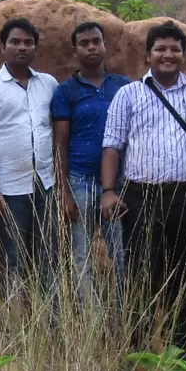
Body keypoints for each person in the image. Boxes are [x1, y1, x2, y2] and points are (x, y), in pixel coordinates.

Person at [101, 20, 186, 352]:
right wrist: (109, 190)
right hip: (140, 196)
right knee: (140, 272)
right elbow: (112, 146)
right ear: (148, 54)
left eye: (175, 49)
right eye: (161, 48)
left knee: (184, 271)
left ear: (184, 54)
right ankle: (139, 346)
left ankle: (177, 342)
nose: (168, 55)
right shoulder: (128, 95)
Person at [0, 17, 59, 280]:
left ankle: (51, 321)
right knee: (12, 259)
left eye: (28, 42)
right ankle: (14, 320)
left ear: (35, 48)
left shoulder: (48, 84)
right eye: (15, 42)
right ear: (3, 47)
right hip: (8, 189)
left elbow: (53, 131)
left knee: (48, 257)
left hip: (46, 185)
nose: (22, 47)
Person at [51, 21, 130, 289]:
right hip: (79, 180)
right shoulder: (65, 91)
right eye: (84, 43)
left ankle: (123, 321)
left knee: (122, 254)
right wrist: (64, 192)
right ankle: (88, 321)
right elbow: (59, 143)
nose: (91, 47)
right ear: (75, 50)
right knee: (81, 256)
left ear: (105, 45)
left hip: (117, 183)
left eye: (96, 41)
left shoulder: (123, 86)